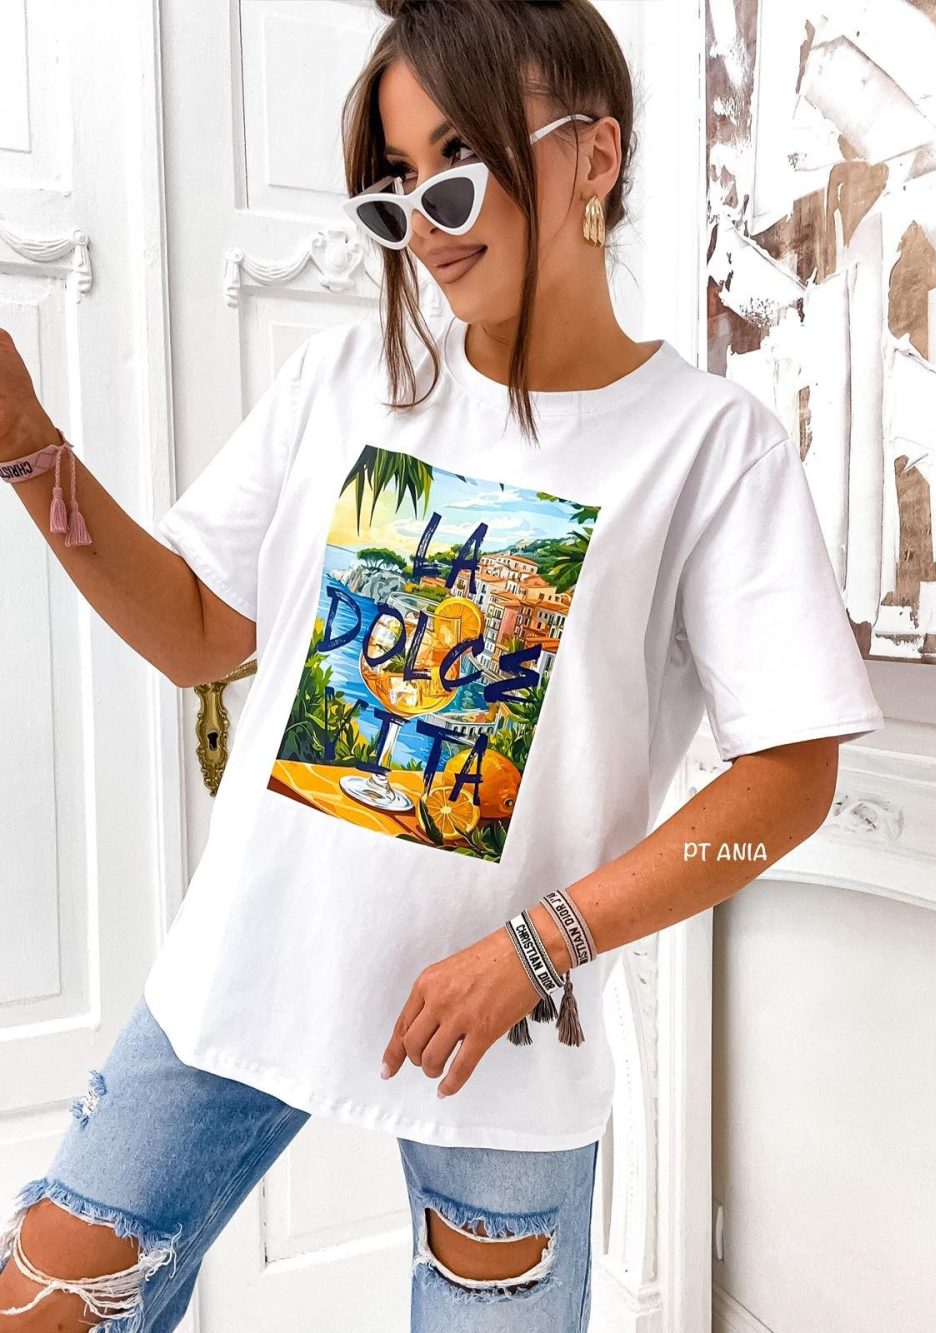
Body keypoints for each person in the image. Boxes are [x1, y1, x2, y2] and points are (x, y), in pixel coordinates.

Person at [0, 0, 885, 1329]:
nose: (427, 221)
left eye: (459, 162)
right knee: (44, 1301)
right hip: (251, 960)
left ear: (595, 155)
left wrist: (541, 944)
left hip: (503, 1047)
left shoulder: (709, 447)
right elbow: (198, 632)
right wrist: (27, 444)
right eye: (395, 185)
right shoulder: (344, 382)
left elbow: (790, 779)